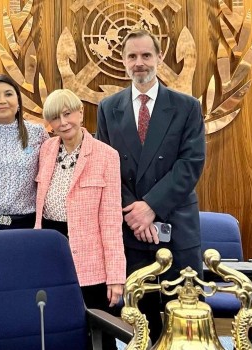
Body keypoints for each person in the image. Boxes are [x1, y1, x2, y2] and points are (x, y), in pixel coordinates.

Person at [96, 29, 206, 344]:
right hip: (131, 228)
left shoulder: (186, 106)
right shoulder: (108, 107)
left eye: (146, 55)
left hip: (176, 227)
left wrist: (151, 207)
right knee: (140, 319)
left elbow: (191, 163)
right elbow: (107, 166)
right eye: (132, 56)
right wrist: (136, 212)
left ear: (159, 58)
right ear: (123, 61)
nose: (139, 63)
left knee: (184, 320)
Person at [35, 89, 126, 350]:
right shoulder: (46, 150)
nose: (63, 122)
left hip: (90, 261)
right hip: (50, 253)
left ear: (80, 113)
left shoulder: (106, 155)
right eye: (55, 118)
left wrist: (116, 276)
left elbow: (110, 221)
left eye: (67, 114)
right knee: (57, 327)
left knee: (98, 332)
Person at [0, 74, 48, 231]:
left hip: (25, 224)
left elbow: (47, 176)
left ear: (18, 101)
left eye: (8, 94)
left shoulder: (37, 133)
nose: (2, 100)